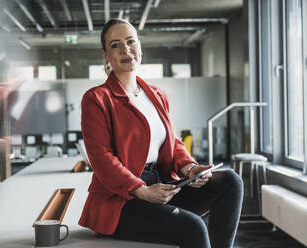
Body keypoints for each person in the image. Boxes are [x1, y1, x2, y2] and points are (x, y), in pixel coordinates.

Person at [79, 18, 243, 248]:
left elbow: (172, 143)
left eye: (130, 42)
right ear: (106, 55)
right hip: (122, 200)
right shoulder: (96, 98)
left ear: (140, 48)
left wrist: (190, 168)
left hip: (162, 186)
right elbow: (101, 158)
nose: (126, 49)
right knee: (193, 227)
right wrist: (141, 190)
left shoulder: (156, 95)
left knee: (231, 182)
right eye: (115, 45)